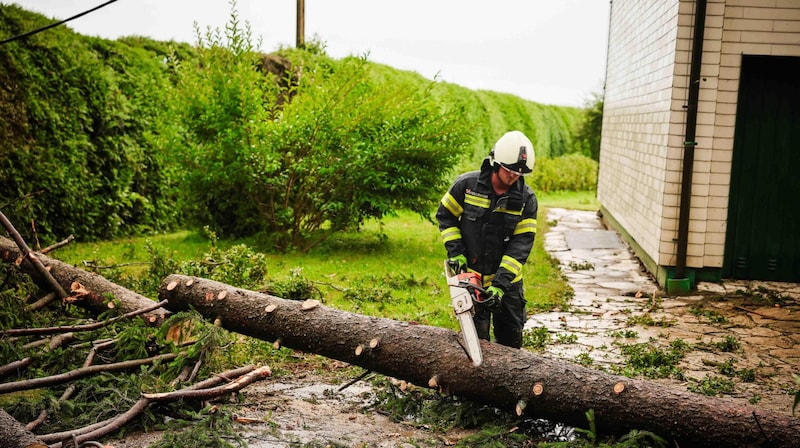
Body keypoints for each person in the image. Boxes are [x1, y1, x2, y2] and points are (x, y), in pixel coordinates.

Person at [436, 130, 538, 349]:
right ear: (496, 162)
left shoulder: (526, 200)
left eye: (519, 174)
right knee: (476, 343)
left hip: (507, 285)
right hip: (472, 279)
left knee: (511, 344)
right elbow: (446, 215)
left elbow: (522, 243)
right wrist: (456, 252)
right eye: (509, 170)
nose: (513, 177)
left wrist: (501, 284)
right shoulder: (466, 185)